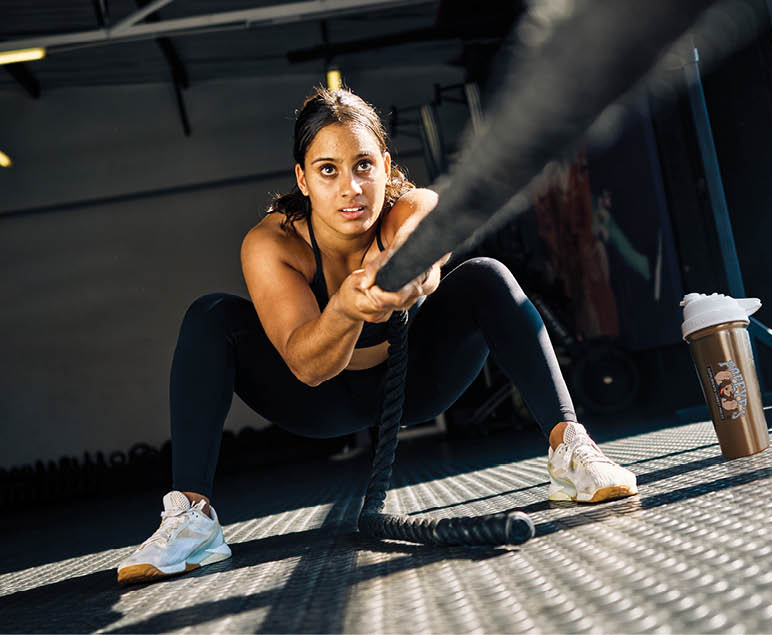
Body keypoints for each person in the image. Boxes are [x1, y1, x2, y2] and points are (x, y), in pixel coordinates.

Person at [116, 87, 638, 585]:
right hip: (320, 401)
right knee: (210, 316)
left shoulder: (409, 207)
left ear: (386, 166)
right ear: (303, 179)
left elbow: (426, 255)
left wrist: (404, 274)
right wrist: (344, 306)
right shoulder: (273, 244)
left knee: (487, 275)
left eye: (364, 165)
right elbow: (307, 366)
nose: (351, 188)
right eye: (328, 170)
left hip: (415, 383)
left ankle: (571, 451)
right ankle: (195, 519)